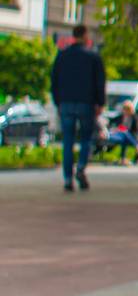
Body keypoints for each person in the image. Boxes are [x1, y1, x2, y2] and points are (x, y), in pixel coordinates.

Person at [50, 23, 107, 191]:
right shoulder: (93, 57)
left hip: (66, 103)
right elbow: (100, 82)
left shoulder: (62, 56)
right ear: (85, 36)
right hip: (86, 103)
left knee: (67, 140)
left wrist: (58, 101)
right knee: (86, 138)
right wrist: (100, 103)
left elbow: (55, 80)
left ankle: (67, 179)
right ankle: (81, 167)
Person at [107, 100, 138, 165]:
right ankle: (137, 147)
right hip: (120, 135)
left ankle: (123, 159)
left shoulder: (134, 118)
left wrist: (125, 130)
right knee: (123, 133)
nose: (125, 111)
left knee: (125, 136)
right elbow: (111, 121)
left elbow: (137, 129)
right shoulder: (120, 116)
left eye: (127, 109)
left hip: (130, 136)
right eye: (124, 109)